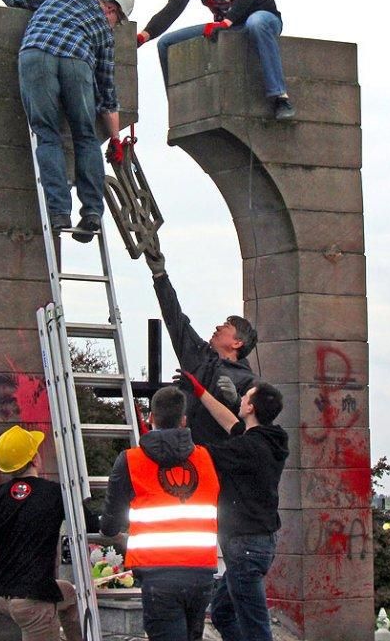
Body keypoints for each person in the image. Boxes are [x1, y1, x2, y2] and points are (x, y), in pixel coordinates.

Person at [0, 425, 99, 641]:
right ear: (36, 459)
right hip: (34, 600)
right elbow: (92, 525)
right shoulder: (55, 493)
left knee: (70, 595)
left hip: (5, 595)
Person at [2, 0, 134, 243]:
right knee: (85, 137)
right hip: (77, 64)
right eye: (117, 20)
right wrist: (115, 139)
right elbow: (107, 92)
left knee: (47, 135)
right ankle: (93, 212)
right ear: (110, 8)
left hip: (36, 54)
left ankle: (59, 212)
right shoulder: (105, 35)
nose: (114, 27)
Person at [137, 0, 294, 120]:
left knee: (255, 22)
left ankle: (280, 97)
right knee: (166, 43)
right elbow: (171, 9)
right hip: (227, 28)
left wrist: (227, 21)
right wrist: (144, 36)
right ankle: (179, 109)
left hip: (264, 19)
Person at [101, 387, 220, 641]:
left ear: (151, 418)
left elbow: (110, 521)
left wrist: (108, 530)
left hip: (158, 574)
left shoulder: (131, 460)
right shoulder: (206, 458)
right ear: (184, 420)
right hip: (201, 572)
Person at [179, 371, 287, 641]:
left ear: (250, 407)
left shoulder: (247, 449)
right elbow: (230, 423)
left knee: (256, 628)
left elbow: (202, 455)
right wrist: (200, 391)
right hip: (259, 543)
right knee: (223, 613)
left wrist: (164, 437)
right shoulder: (272, 438)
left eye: (247, 396)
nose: (241, 398)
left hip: (245, 547)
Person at [144, 249, 257, 445]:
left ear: (237, 343)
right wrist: (160, 276)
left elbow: (254, 426)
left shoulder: (249, 381)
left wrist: (236, 401)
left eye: (226, 326)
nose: (218, 327)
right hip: (181, 452)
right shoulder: (198, 355)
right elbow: (175, 319)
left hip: (217, 461)